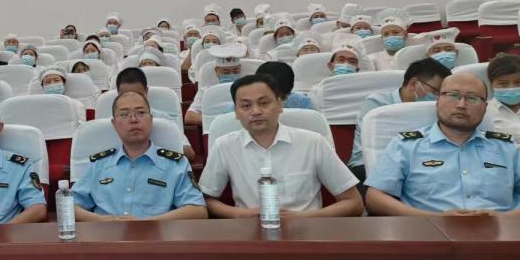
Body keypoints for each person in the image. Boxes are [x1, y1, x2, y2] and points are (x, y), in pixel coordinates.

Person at [365, 72, 520, 215]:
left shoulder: (505, 147)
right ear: (438, 100)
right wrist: (433, 219)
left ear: (485, 107)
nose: (461, 105)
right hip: (429, 237)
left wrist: (506, 220)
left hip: (502, 238)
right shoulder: (406, 145)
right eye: (453, 96)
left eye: (472, 98)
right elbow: (375, 198)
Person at [200, 75, 363, 218]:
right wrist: (243, 214)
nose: (256, 111)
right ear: (236, 112)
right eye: (246, 106)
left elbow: (353, 202)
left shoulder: (313, 142)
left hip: (307, 231)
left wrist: (304, 217)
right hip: (249, 232)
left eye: (263, 103)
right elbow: (207, 201)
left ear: (279, 104)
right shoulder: (224, 146)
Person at [73, 91, 205, 221]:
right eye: (124, 114)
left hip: (157, 234)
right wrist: (102, 221)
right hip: (106, 233)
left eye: (141, 113)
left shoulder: (176, 164)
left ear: (151, 119)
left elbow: (198, 210)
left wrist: (146, 223)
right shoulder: (99, 164)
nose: (133, 120)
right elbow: (70, 206)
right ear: (114, 124)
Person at [348, 58, 452, 179]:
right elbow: (378, 149)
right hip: (368, 167)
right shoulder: (378, 104)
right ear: (413, 84)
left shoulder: (437, 108)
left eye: (444, 93)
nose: (439, 98)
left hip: (421, 167)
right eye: (437, 91)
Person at [115, 67, 194, 162]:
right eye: (126, 96)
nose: (133, 100)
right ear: (118, 94)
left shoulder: (164, 120)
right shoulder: (112, 122)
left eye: (138, 95)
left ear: (146, 92)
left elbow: (189, 153)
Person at [184, 43, 246, 126]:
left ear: (240, 69)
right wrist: (218, 121)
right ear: (217, 71)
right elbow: (189, 117)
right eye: (226, 72)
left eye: (235, 71)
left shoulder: (248, 88)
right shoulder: (206, 90)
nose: (231, 75)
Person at [487, 54, 520, 149]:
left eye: (518, 82)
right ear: (491, 84)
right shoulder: (483, 113)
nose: (511, 88)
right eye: (503, 84)